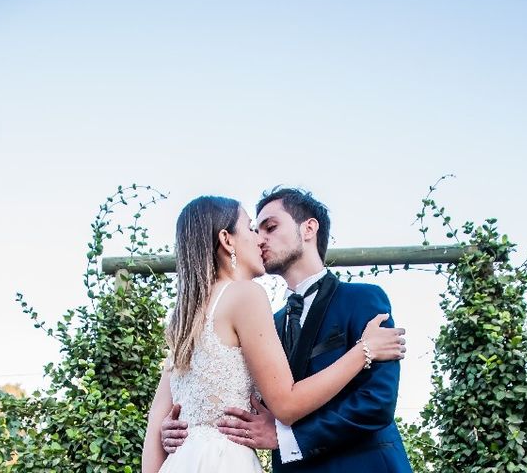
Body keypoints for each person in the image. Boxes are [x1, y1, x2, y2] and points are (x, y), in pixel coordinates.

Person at [142, 195, 408, 473]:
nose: (260, 239)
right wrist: (363, 350)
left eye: (270, 228)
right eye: (253, 229)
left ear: (308, 229)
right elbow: (282, 402)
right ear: (227, 240)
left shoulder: (362, 299)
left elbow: (377, 401)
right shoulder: (258, 313)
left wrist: (286, 438)